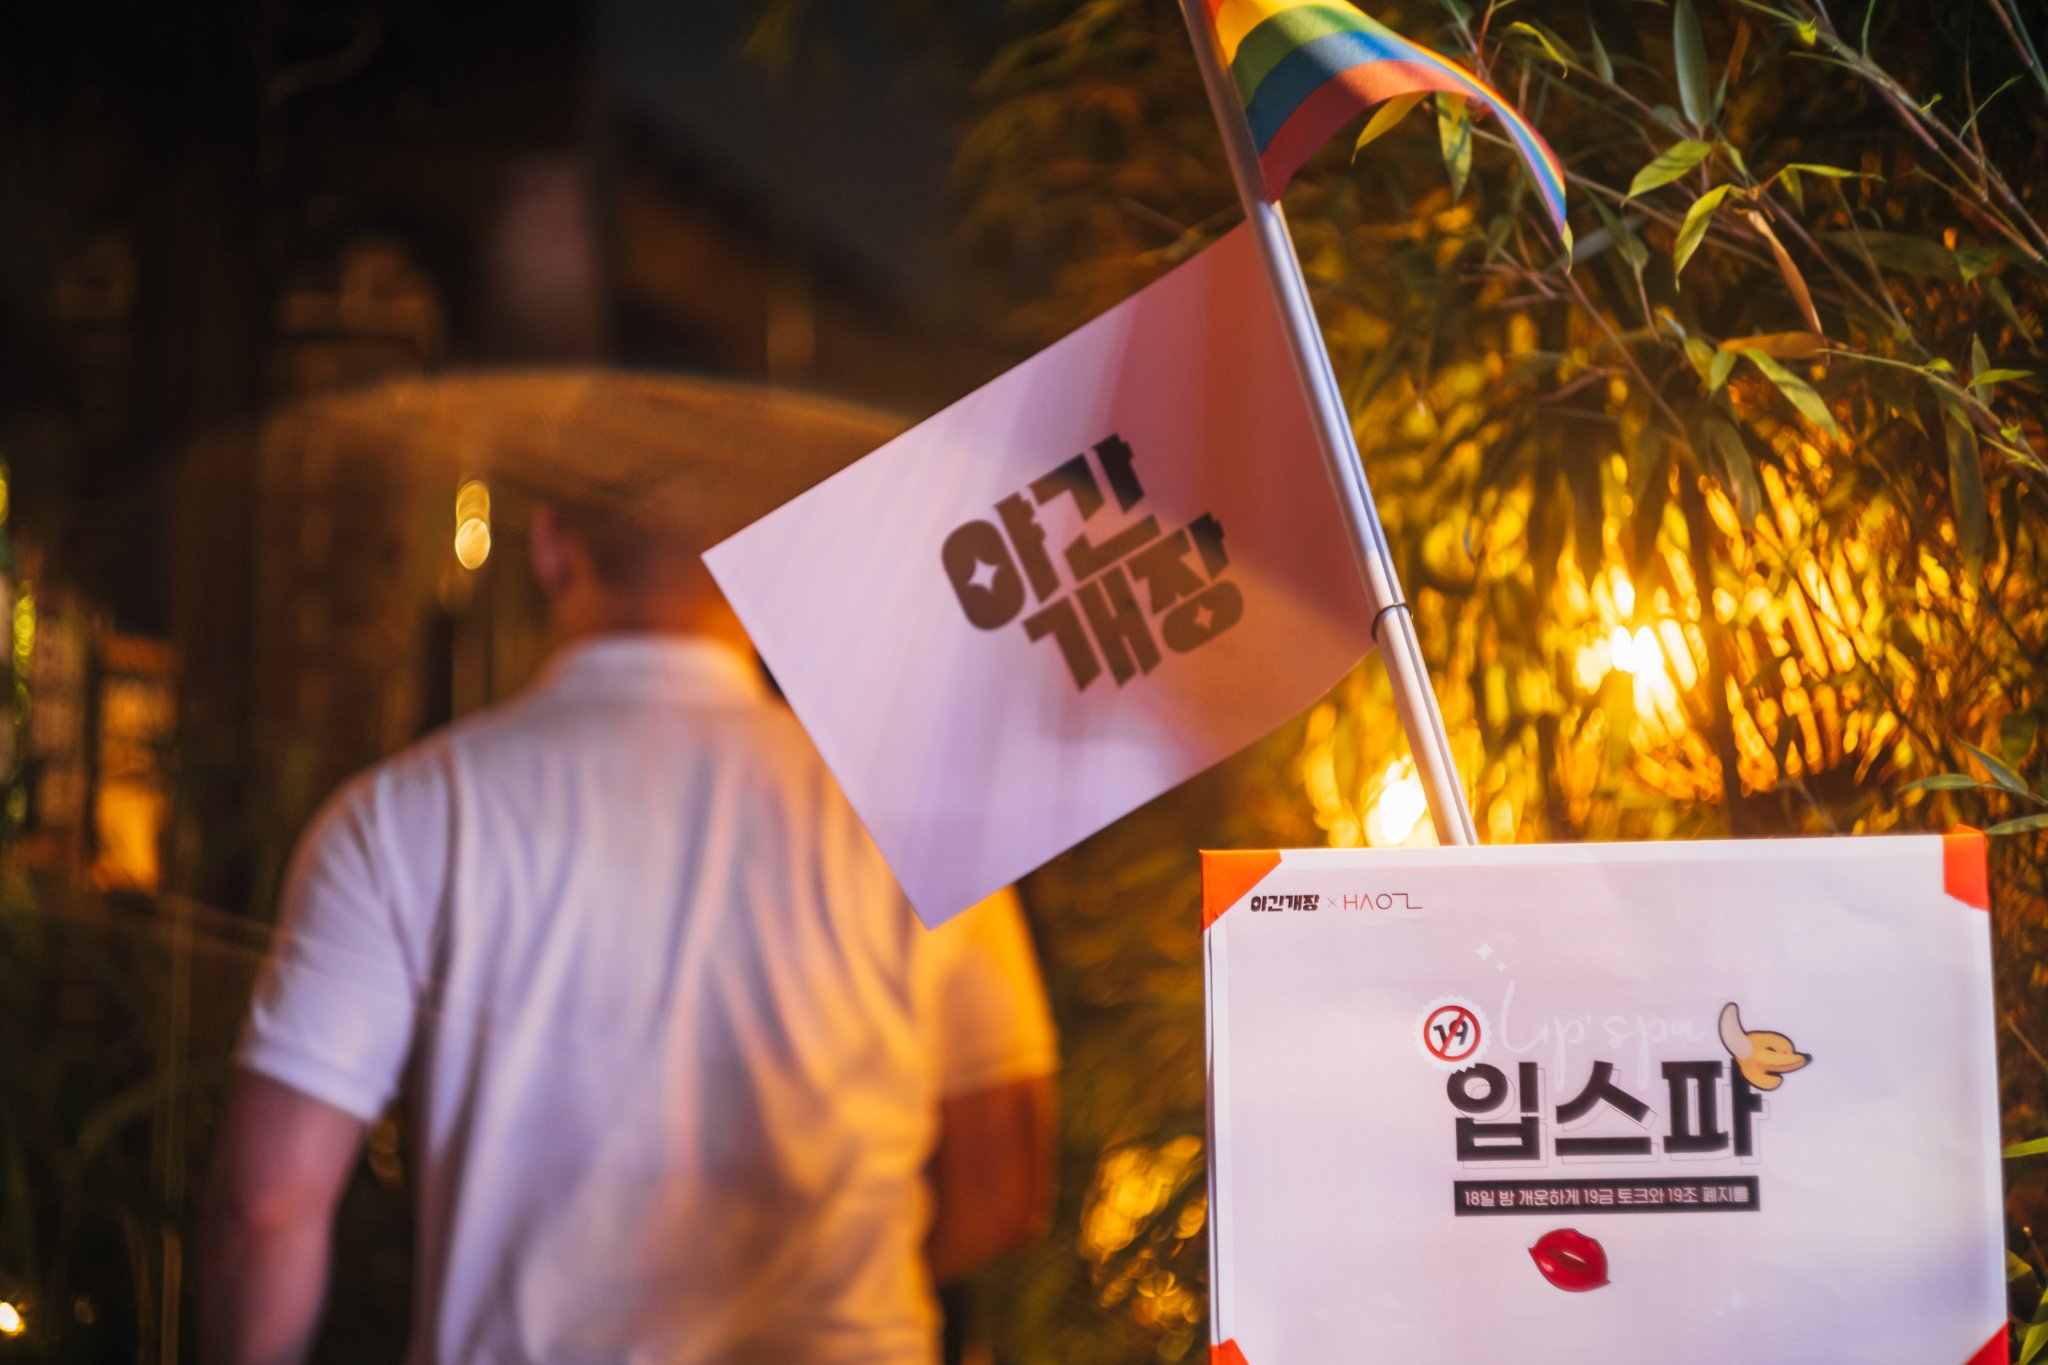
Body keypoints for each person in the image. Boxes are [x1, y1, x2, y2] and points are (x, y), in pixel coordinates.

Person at [197, 485, 1059, 1365]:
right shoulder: (912, 819)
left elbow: (266, 1206)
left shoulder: (404, 814)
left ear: (551, 546)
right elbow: (1002, 1182)